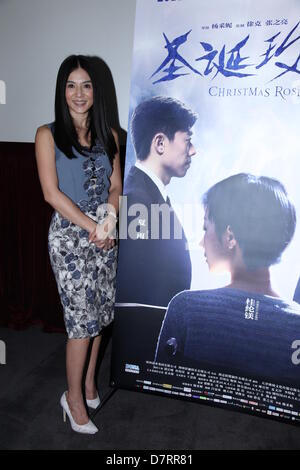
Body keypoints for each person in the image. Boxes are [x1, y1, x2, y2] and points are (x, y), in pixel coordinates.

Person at [35, 55, 122, 434]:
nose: (79, 93)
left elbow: (115, 187)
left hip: (104, 232)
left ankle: (88, 384)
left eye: (86, 85)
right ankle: (71, 400)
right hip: (70, 238)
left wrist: (110, 219)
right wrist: (94, 226)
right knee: (81, 324)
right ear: (62, 91)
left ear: (95, 90)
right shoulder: (47, 134)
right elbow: (52, 194)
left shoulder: (111, 135)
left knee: (101, 315)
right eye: (71, 85)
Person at [155, 173, 300, 386]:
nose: (201, 241)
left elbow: (162, 384)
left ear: (230, 236)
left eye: (206, 228)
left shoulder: (187, 309)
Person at [116, 96, 197, 308]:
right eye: (187, 141)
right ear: (160, 143)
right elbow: (136, 291)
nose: (193, 150)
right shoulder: (138, 200)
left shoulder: (148, 194)